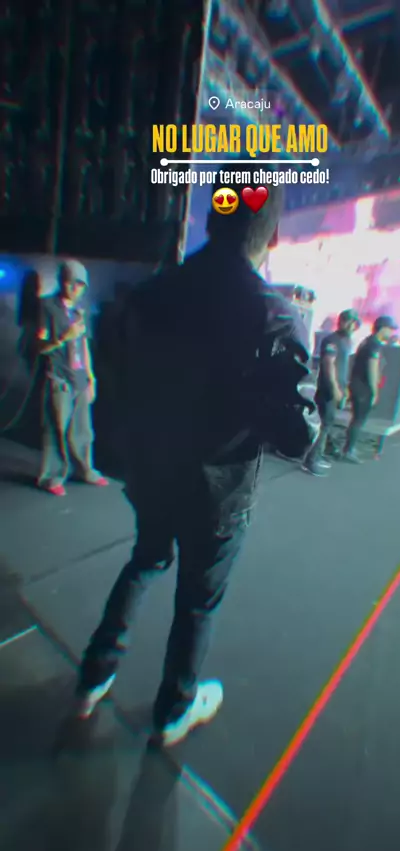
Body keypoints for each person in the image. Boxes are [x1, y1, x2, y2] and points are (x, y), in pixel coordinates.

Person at [74, 171, 313, 746]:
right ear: (273, 233)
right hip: (217, 493)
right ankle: (174, 709)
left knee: (145, 560)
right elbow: (297, 436)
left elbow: (116, 381)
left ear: (211, 217)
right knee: (198, 602)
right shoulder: (274, 314)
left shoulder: (152, 293)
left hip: (151, 472)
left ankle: (94, 674)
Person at [36, 259, 108, 496]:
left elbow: (84, 346)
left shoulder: (79, 311)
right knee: (55, 429)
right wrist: (63, 337)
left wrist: (91, 377)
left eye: (80, 284)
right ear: (61, 281)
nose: (75, 289)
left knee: (83, 430)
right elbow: (39, 346)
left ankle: (84, 470)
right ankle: (51, 477)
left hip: (79, 379)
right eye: (70, 282)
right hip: (59, 378)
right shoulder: (47, 307)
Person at [303, 309, 360, 477]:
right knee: (324, 424)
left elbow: (342, 366)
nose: (350, 325)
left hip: (337, 388)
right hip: (327, 390)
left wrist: (344, 387)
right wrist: (335, 388)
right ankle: (311, 460)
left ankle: (318, 454)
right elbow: (329, 365)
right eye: (347, 321)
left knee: (328, 423)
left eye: (353, 322)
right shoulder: (331, 340)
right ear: (341, 321)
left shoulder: (346, 341)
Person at [344, 315, 398, 464]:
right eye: (390, 329)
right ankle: (348, 450)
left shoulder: (368, 341)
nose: (391, 333)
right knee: (358, 420)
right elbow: (372, 369)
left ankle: (349, 447)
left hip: (358, 385)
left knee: (357, 419)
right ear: (382, 328)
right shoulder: (374, 345)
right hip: (363, 388)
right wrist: (374, 391)